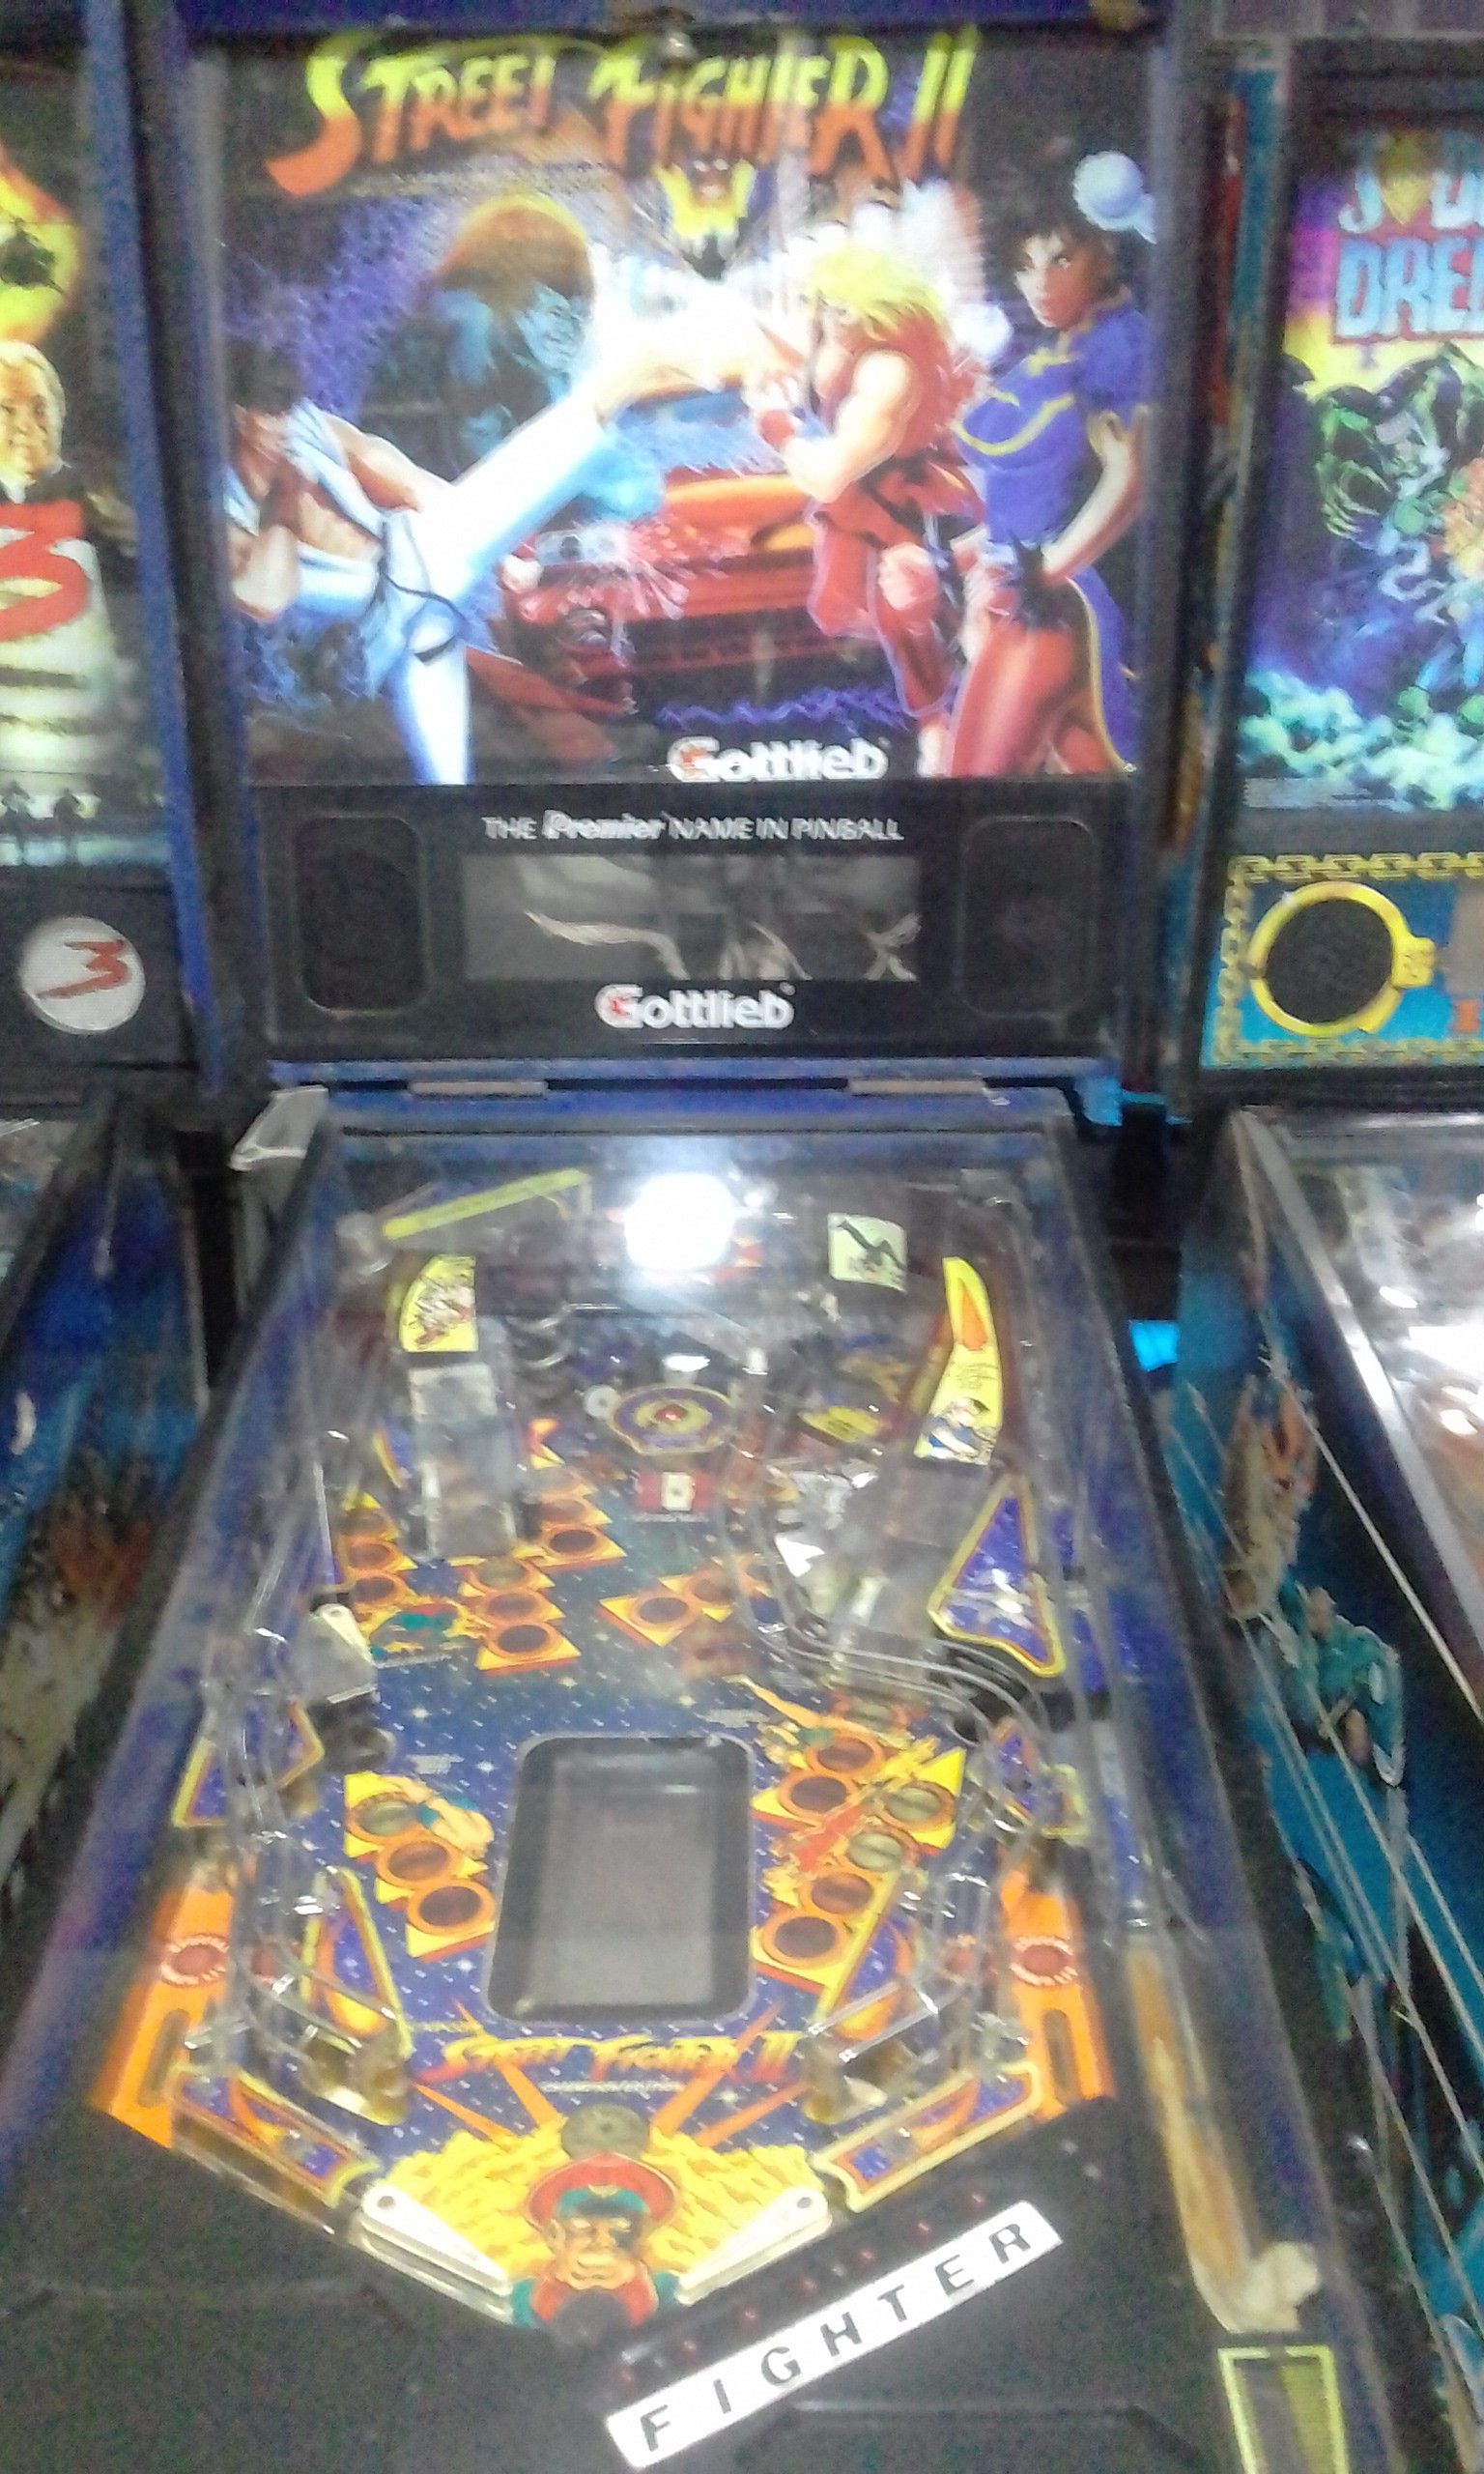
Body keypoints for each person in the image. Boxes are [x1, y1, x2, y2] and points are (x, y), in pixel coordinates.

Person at [224, 325, 685, 786]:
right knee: (446, 770)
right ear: (236, 416)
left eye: (285, 408)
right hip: (365, 641)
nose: (282, 425)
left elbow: (403, 479)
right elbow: (263, 598)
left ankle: (633, 373)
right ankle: (627, 376)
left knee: (447, 783)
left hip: (418, 581)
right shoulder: (221, 505)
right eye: (268, 413)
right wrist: (282, 503)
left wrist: (500, 557)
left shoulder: (309, 427)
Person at [946, 145, 1150, 777]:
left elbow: (1130, 483)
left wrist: (1040, 575)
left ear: (1105, 249)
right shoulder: (1070, 344)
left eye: (1061, 258)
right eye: (1025, 265)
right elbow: (1046, 488)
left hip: (1059, 609)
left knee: (972, 783)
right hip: (1039, 593)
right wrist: (975, 554)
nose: (1040, 283)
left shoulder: (1118, 348)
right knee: (1094, 780)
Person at [745, 245, 975, 774]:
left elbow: (828, 475)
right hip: (868, 502)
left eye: (844, 308)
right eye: (825, 304)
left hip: (905, 509)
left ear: (879, 309)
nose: (832, 318)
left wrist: (776, 427)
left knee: (906, 610)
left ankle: (942, 735)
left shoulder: (889, 368)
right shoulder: (842, 344)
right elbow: (804, 364)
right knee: (875, 618)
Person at [511, 2152, 678, 2335]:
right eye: (581, 2226)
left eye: (621, 2227)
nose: (601, 2242)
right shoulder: (523, 2301)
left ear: (640, 2238)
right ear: (554, 2235)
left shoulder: (668, 2294)